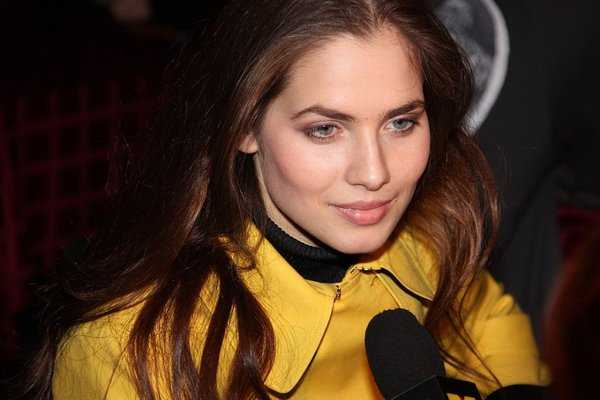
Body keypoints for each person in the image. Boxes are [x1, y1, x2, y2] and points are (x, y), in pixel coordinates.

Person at [19, 1, 548, 399]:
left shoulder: (428, 237)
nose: (376, 174)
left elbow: (490, 320)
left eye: (401, 123)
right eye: (324, 129)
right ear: (244, 126)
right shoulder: (132, 351)